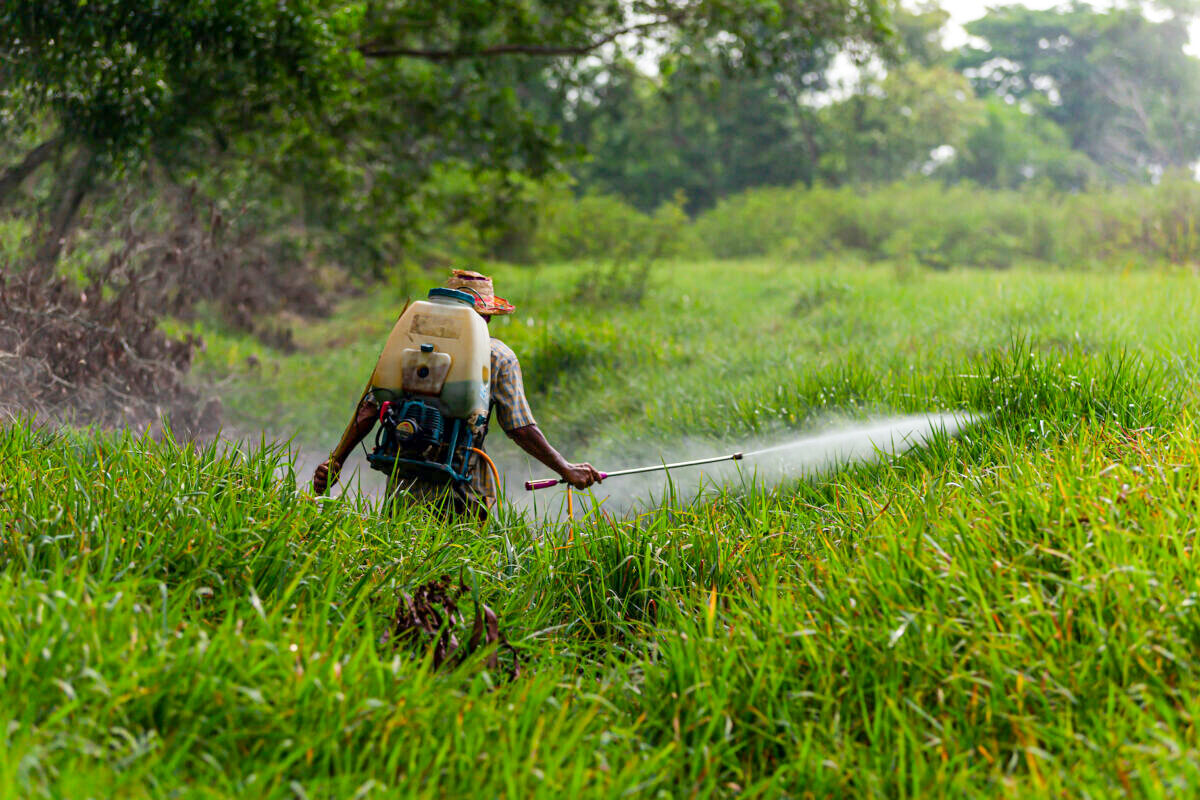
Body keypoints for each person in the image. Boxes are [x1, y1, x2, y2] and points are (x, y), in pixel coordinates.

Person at [312, 269, 601, 518]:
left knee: (402, 558)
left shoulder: (406, 347)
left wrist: (336, 460)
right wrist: (565, 468)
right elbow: (520, 428)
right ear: (486, 317)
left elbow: (371, 408)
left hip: (404, 484)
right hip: (464, 492)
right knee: (458, 563)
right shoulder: (498, 356)